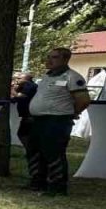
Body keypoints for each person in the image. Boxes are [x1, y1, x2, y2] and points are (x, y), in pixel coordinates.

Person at [24, 49, 89, 195]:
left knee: (53, 152)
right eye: (48, 57)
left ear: (65, 59)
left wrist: (73, 113)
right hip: (39, 120)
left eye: (54, 57)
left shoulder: (72, 77)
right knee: (34, 151)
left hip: (57, 120)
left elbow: (83, 100)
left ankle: (57, 186)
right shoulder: (46, 76)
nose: (49, 60)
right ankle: (37, 182)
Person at [11, 70, 37, 144]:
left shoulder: (29, 85)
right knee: (23, 134)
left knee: (23, 134)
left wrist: (12, 89)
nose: (17, 80)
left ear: (26, 78)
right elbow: (15, 100)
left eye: (19, 78)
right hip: (26, 115)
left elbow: (22, 96)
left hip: (30, 114)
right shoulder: (23, 87)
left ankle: (32, 151)